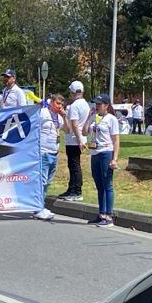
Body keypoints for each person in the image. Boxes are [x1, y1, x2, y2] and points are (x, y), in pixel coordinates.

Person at [89, 94, 120, 228]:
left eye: (99, 104)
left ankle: (109, 215)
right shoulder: (94, 118)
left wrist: (114, 158)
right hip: (95, 152)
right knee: (99, 184)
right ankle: (101, 213)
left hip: (106, 152)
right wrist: (88, 117)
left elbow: (116, 140)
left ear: (106, 105)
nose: (97, 107)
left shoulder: (111, 119)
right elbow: (85, 131)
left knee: (107, 184)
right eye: (96, 104)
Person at [34, 94, 63, 220]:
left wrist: (65, 116)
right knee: (42, 180)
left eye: (61, 104)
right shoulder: (43, 113)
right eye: (57, 103)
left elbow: (67, 129)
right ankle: (38, 208)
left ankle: (41, 205)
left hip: (54, 152)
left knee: (48, 182)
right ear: (51, 102)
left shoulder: (59, 117)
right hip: (43, 151)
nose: (59, 106)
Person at [60, 81, 89, 199]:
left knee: (74, 165)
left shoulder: (74, 106)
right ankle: (72, 188)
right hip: (79, 138)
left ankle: (76, 191)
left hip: (74, 139)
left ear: (72, 92)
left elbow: (74, 125)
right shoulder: (85, 104)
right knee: (73, 164)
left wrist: (78, 140)